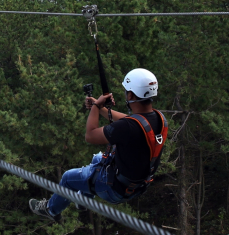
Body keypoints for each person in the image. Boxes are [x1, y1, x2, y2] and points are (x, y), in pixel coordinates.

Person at [29, 68, 168, 222]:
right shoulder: (159, 119)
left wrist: (95, 108)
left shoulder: (128, 127)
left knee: (68, 178)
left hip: (115, 189)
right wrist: (100, 108)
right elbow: (131, 121)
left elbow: (90, 135)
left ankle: (50, 210)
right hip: (136, 186)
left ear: (130, 95)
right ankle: (83, 200)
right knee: (97, 158)